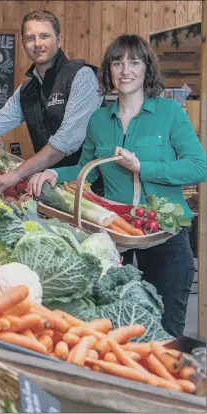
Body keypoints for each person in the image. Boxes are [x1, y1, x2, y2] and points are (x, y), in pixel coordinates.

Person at [28, 34, 206, 338]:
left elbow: (198, 165)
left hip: (165, 237)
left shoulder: (169, 113)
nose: (125, 70)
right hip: (114, 239)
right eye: (117, 62)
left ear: (146, 68)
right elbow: (88, 172)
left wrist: (143, 168)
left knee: (164, 334)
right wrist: (56, 174)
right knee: (118, 330)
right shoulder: (99, 119)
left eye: (134, 62)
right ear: (109, 70)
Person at [0, 10, 103, 192]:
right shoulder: (27, 90)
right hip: (52, 187)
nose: (37, 44)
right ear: (23, 43)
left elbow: (66, 141)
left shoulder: (82, 76)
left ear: (59, 40)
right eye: (30, 38)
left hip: (91, 188)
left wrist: (16, 174)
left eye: (44, 36)